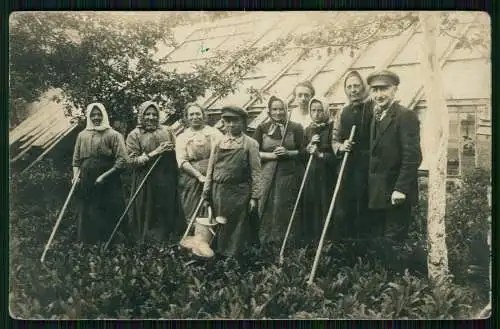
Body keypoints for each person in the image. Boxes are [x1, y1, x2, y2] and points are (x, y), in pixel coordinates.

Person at [365, 69, 422, 251]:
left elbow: (412, 156)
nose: (379, 95)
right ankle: (381, 277)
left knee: (394, 241)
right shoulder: (376, 116)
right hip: (378, 190)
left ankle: (395, 277)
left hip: (396, 193)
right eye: (375, 90)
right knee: (379, 239)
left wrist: (401, 188)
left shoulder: (405, 115)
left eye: (384, 89)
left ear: (395, 90)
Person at [202, 105, 262, 258]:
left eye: (235, 121)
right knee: (218, 224)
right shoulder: (218, 142)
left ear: (243, 122)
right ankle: (218, 257)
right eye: (227, 121)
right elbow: (210, 170)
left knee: (237, 228)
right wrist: (206, 193)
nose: (231, 125)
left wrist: (254, 197)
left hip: (239, 193)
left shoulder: (250, 144)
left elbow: (256, 172)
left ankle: (234, 260)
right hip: (218, 192)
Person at [72, 103, 128, 243]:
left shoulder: (113, 135)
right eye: (93, 115)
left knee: (107, 208)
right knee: (87, 209)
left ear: (104, 115)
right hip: (86, 178)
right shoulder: (82, 135)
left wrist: (104, 176)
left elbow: (122, 160)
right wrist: (75, 176)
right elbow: (76, 160)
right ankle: (88, 243)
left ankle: (111, 244)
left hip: (108, 179)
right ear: (89, 116)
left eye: (99, 114)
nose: (96, 117)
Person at [126, 101, 181, 242]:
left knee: (167, 208)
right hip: (146, 179)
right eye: (147, 114)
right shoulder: (134, 135)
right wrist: (155, 152)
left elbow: (178, 151)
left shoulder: (167, 130)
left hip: (166, 177)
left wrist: (172, 149)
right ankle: (148, 243)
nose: (151, 117)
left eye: (154, 114)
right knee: (148, 211)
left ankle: (168, 242)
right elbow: (131, 162)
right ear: (141, 116)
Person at [253, 96, 305, 246]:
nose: (278, 112)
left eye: (281, 109)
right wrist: (271, 155)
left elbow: (304, 151)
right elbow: (254, 152)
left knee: (284, 205)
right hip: (267, 174)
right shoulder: (262, 128)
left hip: (289, 174)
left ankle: (287, 242)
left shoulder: (296, 127)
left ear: (286, 110)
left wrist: (289, 153)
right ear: (269, 111)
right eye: (274, 109)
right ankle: (266, 242)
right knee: (267, 205)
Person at [331, 70, 374, 241]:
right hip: (348, 165)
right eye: (349, 87)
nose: (353, 90)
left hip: (369, 164)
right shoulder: (343, 111)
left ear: (363, 87)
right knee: (346, 205)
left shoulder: (373, 107)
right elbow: (335, 138)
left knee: (366, 206)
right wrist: (342, 146)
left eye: (356, 86)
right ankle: (348, 246)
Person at [176, 103, 223, 225]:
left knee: (214, 205)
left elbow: (223, 154)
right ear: (186, 117)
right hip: (191, 175)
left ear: (203, 115)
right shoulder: (182, 137)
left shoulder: (214, 133)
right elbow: (182, 161)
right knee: (192, 207)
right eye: (191, 114)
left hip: (213, 173)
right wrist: (199, 176)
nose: (195, 117)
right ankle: (194, 236)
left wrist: (211, 175)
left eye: (198, 113)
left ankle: (212, 237)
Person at [300, 98, 337, 243]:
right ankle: (312, 243)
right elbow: (302, 153)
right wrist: (308, 147)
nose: (316, 114)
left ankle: (327, 243)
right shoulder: (308, 130)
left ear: (326, 111)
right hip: (311, 174)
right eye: (313, 110)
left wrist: (320, 154)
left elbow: (336, 155)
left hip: (327, 175)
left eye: (320, 110)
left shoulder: (332, 127)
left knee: (326, 206)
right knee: (312, 206)